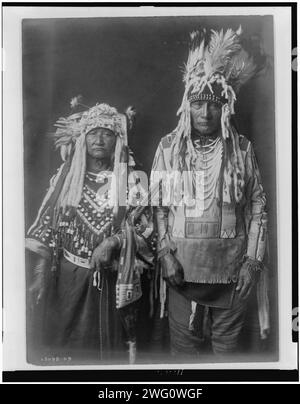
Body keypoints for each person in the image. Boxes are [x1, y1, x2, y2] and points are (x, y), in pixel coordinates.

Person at [150, 27, 269, 358]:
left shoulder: (242, 149)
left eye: (214, 106)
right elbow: (159, 207)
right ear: (187, 106)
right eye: (199, 104)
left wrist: (252, 263)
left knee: (226, 355)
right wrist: (165, 255)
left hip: (232, 272)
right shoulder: (170, 147)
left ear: (225, 109)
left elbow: (258, 206)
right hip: (181, 270)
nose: (205, 113)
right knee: (184, 354)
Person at [26, 99, 154, 364]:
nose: (99, 139)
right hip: (68, 278)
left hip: (113, 279)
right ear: (83, 139)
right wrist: (40, 276)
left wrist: (114, 241)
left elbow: (146, 228)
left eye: (107, 134)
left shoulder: (130, 179)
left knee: (108, 350)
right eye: (93, 133)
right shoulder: (66, 176)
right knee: (66, 342)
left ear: (116, 141)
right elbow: (46, 226)